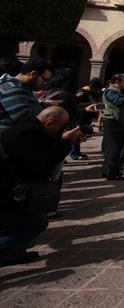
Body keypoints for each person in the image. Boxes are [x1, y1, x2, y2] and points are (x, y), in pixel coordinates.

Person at [0, 106, 83, 266]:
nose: (62, 131)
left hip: (11, 187)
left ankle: (13, 251)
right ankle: (7, 252)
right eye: (62, 127)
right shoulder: (26, 135)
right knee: (35, 223)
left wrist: (63, 140)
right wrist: (65, 143)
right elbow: (42, 164)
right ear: (49, 123)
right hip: (6, 189)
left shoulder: (32, 128)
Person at [0, 58, 53, 137]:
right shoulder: (12, 87)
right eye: (44, 79)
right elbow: (23, 116)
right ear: (33, 74)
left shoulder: (22, 87)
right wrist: (47, 105)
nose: (45, 83)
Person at [72, 77, 102, 159]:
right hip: (81, 116)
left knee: (81, 135)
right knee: (77, 135)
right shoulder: (81, 92)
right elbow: (75, 105)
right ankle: (74, 153)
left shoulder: (90, 92)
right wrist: (88, 105)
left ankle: (77, 152)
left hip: (87, 116)